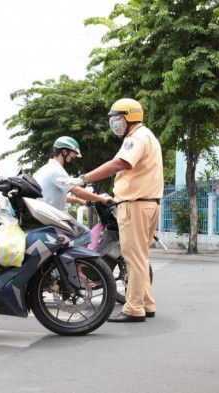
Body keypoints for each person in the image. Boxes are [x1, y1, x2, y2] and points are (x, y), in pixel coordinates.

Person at [61, 98, 163, 322]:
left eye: (117, 119)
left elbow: (119, 164)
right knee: (141, 257)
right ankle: (146, 303)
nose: (114, 123)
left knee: (132, 258)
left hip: (135, 205)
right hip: (149, 203)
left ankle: (134, 308)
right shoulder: (147, 136)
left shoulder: (136, 138)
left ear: (129, 117)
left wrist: (83, 178)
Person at [34, 136, 112, 211]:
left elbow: (54, 196)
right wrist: (102, 199)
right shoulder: (57, 170)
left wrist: (77, 200)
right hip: (49, 217)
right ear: (64, 152)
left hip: (42, 214)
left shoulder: (46, 168)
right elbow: (77, 191)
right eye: (73, 155)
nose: (73, 158)